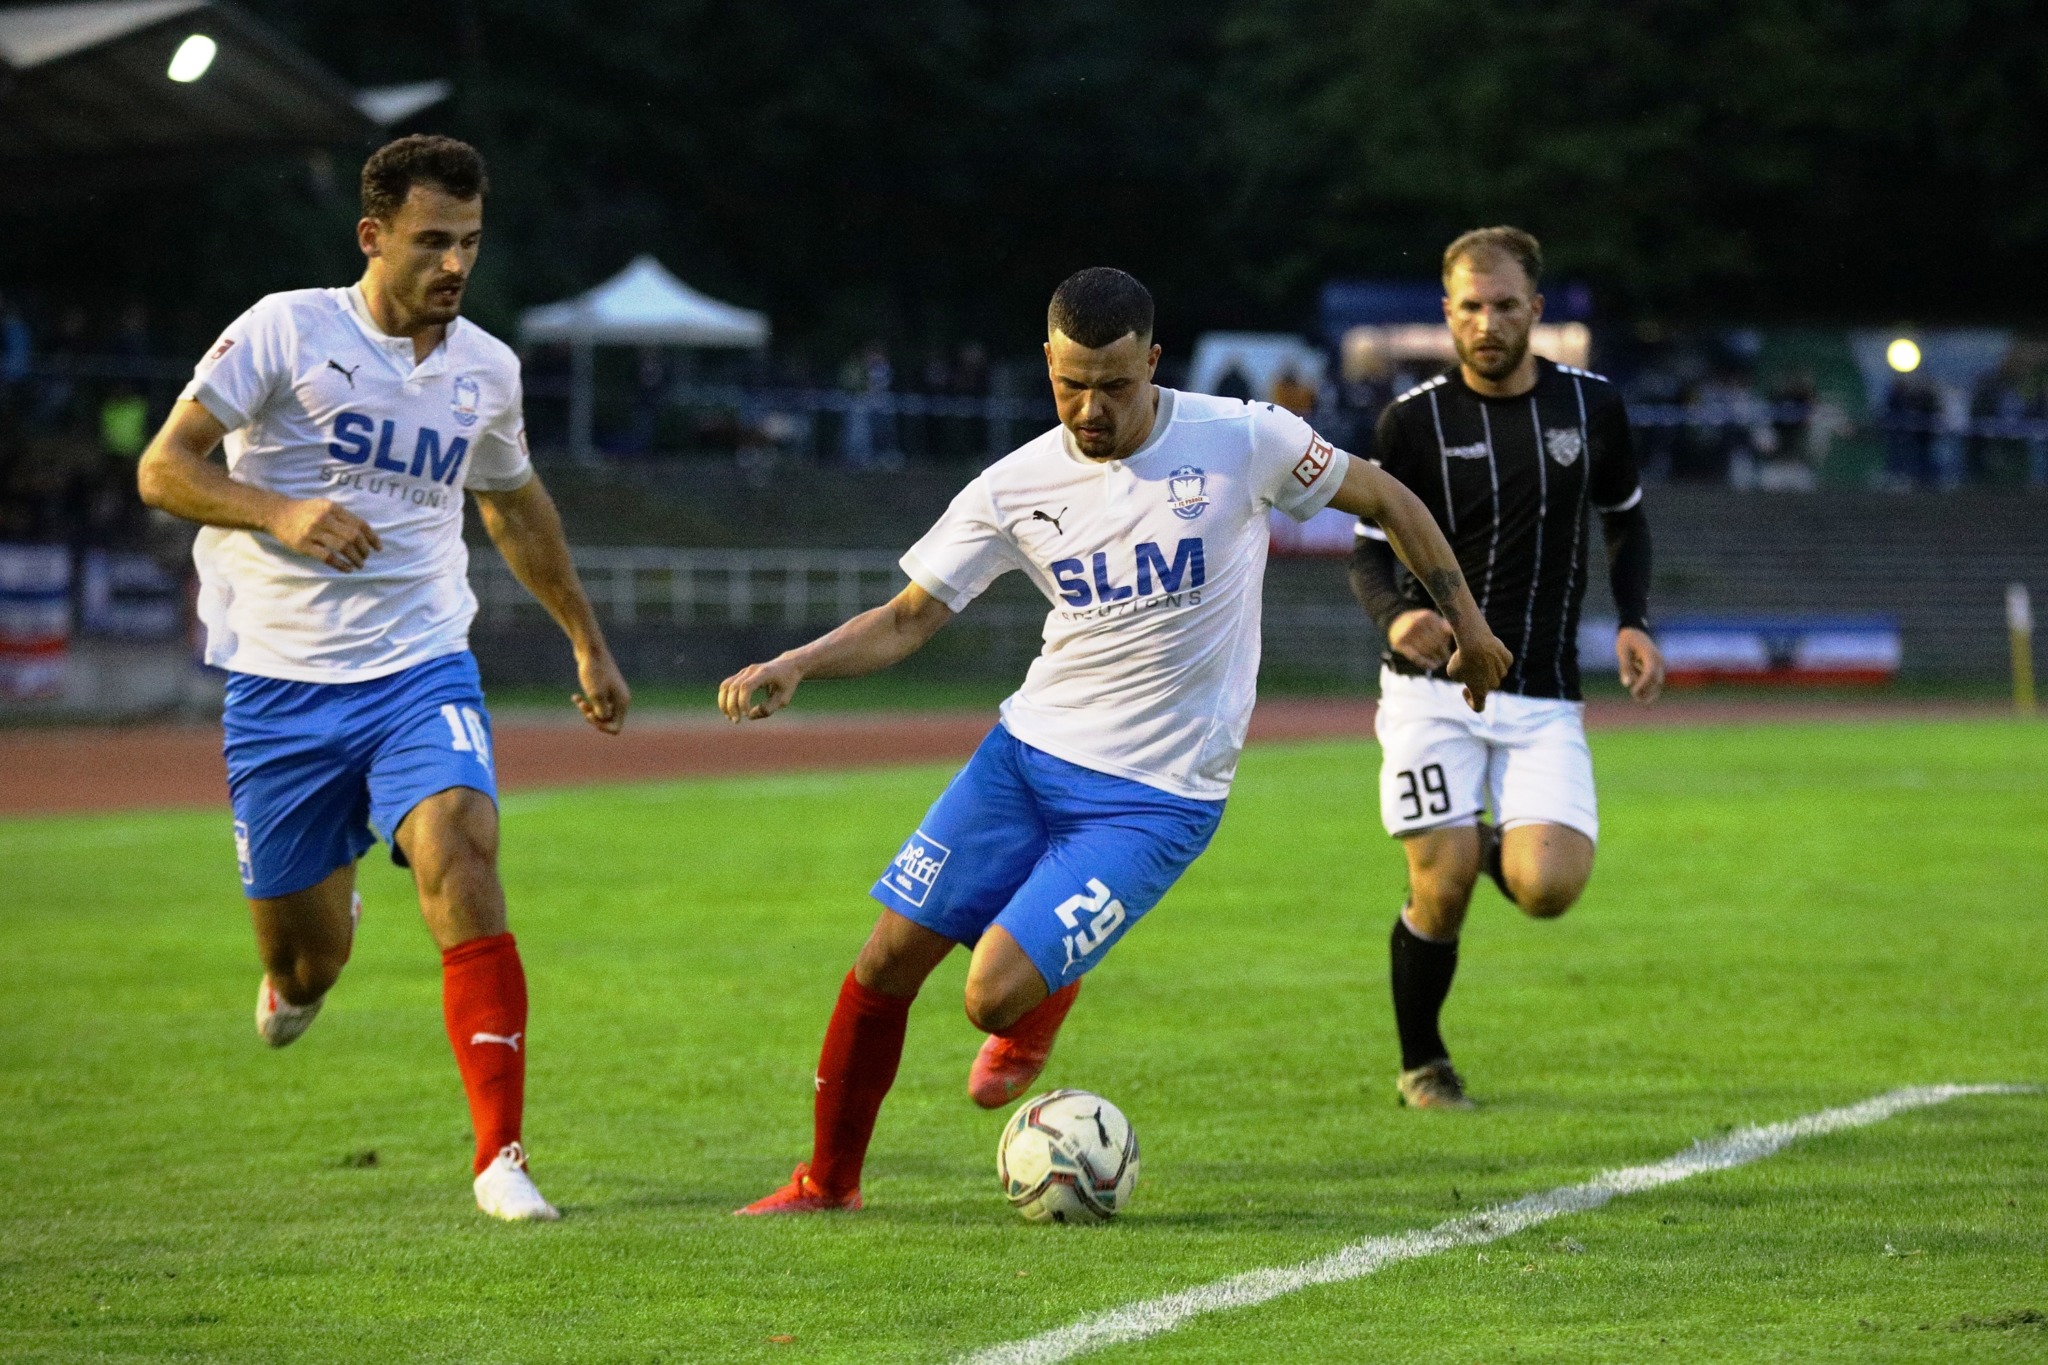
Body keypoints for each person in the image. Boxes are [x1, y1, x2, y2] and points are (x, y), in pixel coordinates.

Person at [719, 267, 1511, 1214]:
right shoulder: (1014, 485)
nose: (1091, 408)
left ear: (1154, 363)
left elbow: (1391, 501)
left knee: (990, 995)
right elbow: (907, 617)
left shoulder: (1243, 438)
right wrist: (798, 662)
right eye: (1070, 384)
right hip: (1022, 759)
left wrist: (1468, 623)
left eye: (1115, 384)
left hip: (1155, 799)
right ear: (1046, 361)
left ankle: (1043, 997)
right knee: (885, 959)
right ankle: (826, 1183)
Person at [136, 135, 630, 1220]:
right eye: (430, 243)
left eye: (469, 243)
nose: (453, 266)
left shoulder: (485, 370)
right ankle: (303, 961)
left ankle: (499, 1157)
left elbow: (510, 503)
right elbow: (163, 466)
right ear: (373, 237)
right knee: (308, 964)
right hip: (279, 686)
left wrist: (585, 640)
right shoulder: (285, 330)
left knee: (459, 845)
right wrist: (282, 511)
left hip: (420, 667)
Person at [1347, 227, 1662, 1109]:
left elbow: (1626, 520)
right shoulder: (1410, 423)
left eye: (1506, 305)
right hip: (1429, 695)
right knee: (1439, 886)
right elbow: (1367, 554)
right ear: (1447, 313)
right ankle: (1424, 1064)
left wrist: (1634, 622)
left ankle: (1482, 837)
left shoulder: (1593, 408)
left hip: (1545, 689)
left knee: (1547, 886)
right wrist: (1401, 612)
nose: (1488, 322)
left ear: (1537, 310)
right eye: (1471, 307)